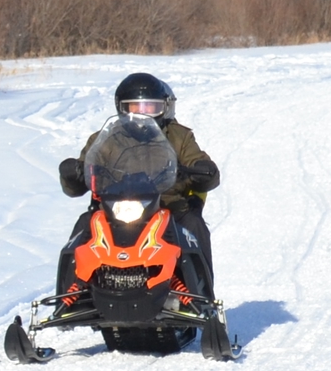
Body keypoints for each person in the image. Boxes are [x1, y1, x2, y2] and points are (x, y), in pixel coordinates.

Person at [56, 70, 221, 290]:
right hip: (115, 209)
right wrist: (72, 173)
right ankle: (71, 293)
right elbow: (83, 173)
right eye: (135, 107)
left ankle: (203, 295)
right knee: (85, 223)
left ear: (163, 108)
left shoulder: (179, 136)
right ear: (121, 108)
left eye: (150, 108)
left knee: (194, 225)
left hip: (168, 208)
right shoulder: (104, 139)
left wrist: (202, 171)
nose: (142, 114)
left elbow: (199, 163)